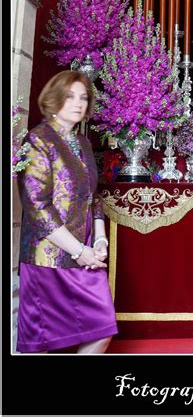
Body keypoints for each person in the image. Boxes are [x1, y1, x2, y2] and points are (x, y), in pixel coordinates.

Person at [16, 70, 117, 353]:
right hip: (48, 258)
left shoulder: (83, 143)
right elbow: (36, 206)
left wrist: (99, 241)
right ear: (53, 98)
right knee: (42, 343)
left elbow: (93, 198)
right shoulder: (38, 140)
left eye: (84, 97)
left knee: (102, 327)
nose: (78, 103)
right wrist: (78, 250)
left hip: (84, 254)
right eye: (70, 96)